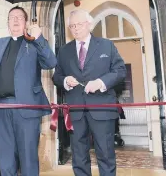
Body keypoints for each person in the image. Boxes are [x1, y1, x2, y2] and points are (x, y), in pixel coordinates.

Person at [0, 6, 57, 176]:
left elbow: (50, 62)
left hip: (27, 108)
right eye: (12, 17)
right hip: (2, 108)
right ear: (7, 22)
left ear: (26, 23)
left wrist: (40, 38)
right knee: (5, 158)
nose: (15, 20)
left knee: (28, 159)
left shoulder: (34, 43)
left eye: (19, 17)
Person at [52, 9, 126, 176]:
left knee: (106, 155)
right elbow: (56, 76)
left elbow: (120, 71)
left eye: (79, 24)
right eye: (72, 26)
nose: (75, 28)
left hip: (102, 109)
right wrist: (65, 81)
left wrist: (100, 82)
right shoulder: (64, 51)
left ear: (89, 24)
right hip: (75, 111)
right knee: (78, 157)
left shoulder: (107, 45)